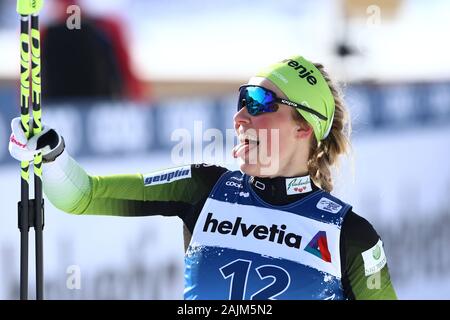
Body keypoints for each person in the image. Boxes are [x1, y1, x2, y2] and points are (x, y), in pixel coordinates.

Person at [8, 55, 397, 300]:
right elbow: (84, 196)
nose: (240, 115)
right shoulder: (205, 188)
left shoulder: (351, 235)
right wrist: (52, 156)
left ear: (304, 127)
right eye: (241, 99)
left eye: (260, 103)